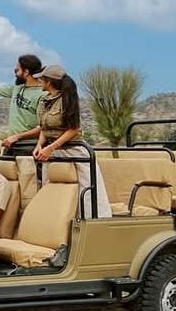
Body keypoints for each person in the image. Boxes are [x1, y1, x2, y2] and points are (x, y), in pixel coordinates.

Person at [25, 65, 111, 219]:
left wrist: (51, 147)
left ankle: (92, 224)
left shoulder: (67, 100)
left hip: (73, 150)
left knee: (87, 192)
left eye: (42, 78)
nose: (39, 81)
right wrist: (40, 145)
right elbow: (44, 127)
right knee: (50, 190)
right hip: (52, 153)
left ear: (49, 82)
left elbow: (74, 129)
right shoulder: (45, 101)